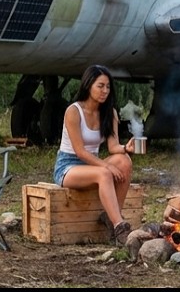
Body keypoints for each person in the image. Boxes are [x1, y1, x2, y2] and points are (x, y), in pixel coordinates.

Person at [53, 64, 136, 245]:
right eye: (100, 86)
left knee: (124, 161)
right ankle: (120, 227)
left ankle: (112, 217)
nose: (105, 91)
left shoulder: (109, 112)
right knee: (104, 172)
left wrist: (125, 148)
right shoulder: (74, 111)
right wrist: (107, 166)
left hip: (92, 165)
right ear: (88, 85)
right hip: (68, 166)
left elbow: (113, 146)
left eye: (108, 87)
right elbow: (80, 151)